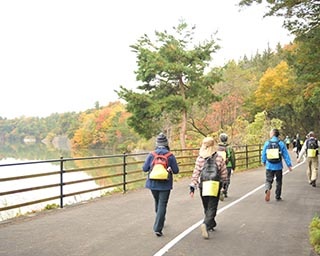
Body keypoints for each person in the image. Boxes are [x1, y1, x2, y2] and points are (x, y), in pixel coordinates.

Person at [189, 137, 228, 239]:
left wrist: (193, 186)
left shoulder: (200, 158)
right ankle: (206, 224)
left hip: (204, 184)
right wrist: (224, 184)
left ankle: (211, 223)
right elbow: (224, 173)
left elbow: (196, 173)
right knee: (212, 206)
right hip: (215, 184)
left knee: (206, 205)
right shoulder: (219, 157)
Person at [142, 132, 179, 237]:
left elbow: (144, 169)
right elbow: (176, 171)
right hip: (165, 184)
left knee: (157, 202)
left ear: (157, 143)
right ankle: (158, 227)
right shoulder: (170, 155)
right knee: (162, 204)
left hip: (153, 183)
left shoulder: (151, 155)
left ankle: (160, 219)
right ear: (166, 143)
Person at [262, 128, 293, 202]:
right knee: (279, 181)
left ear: (272, 134)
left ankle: (267, 189)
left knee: (268, 180)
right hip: (278, 166)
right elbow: (286, 155)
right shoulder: (281, 143)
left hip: (269, 165)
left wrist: (263, 161)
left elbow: (263, 153)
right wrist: (289, 165)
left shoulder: (267, 143)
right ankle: (277, 196)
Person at [217, 133, 236, 198]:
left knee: (219, 178)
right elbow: (233, 158)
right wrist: (233, 167)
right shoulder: (229, 148)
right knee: (227, 178)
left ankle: (220, 189)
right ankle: (225, 190)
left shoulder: (217, 148)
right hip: (228, 165)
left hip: (218, 165)